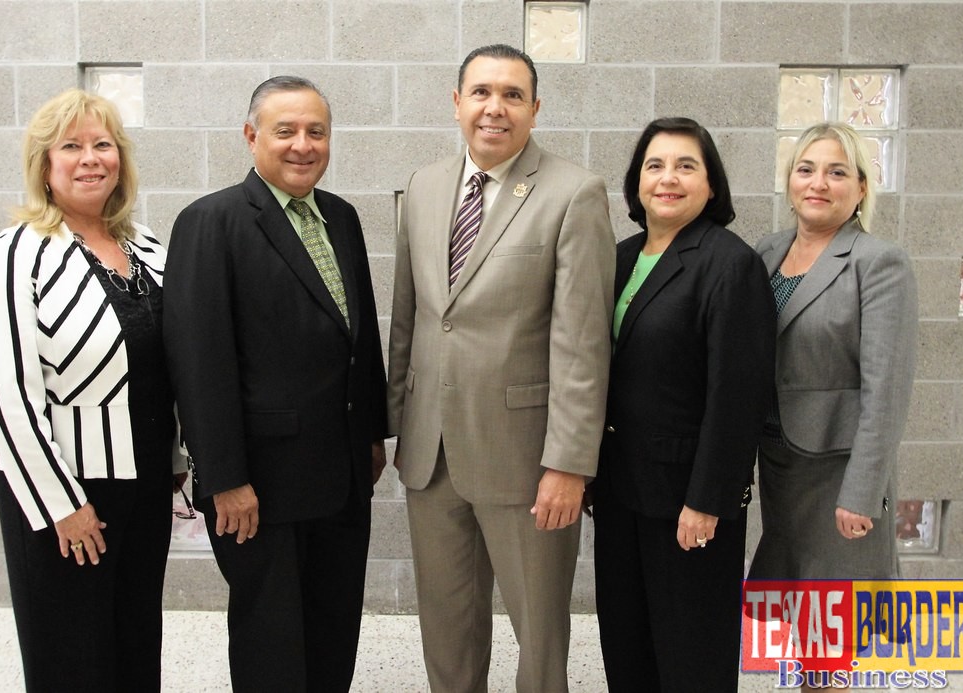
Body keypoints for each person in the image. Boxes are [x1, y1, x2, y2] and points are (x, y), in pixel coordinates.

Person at [387, 44, 615, 693]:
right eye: (481, 92)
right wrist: (394, 427)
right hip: (430, 454)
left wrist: (569, 463)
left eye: (513, 95)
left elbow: (583, 342)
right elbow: (412, 318)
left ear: (535, 109)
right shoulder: (425, 186)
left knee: (538, 639)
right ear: (457, 103)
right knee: (447, 628)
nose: (496, 107)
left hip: (527, 460)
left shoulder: (574, 193)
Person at [162, 76, 388, 691]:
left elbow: (358, 335)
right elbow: (198, 365)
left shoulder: (340, 217)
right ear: (251, 135)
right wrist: (225, 478)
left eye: (316, 131)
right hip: (259, 486)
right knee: (272, 643)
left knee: (333, 629)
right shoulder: (211, 221)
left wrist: (371, 436)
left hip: (341, 475)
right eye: (285, 130)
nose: (302, 145)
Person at [0, 88, 182, 691]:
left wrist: (178, 458)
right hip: (62, 490)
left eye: (103, 145)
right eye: (72, 146)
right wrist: (61, 504)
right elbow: (6, 395)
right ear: (45, 165)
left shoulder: (148, 248)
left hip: (142, 484)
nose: (91, 158)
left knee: (135, 644)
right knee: (72, 657)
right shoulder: (15, 254)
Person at [591, 117, 775, 692]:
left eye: (685, 166)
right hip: (621, 491)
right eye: (654, 165)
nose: (667, 178)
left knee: (691, 656)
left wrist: (708, 500)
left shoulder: (729, 264)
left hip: (688, 505)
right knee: (628, 648)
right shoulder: (617, 258)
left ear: (711, 184)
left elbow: (737, 396)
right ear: (636, 182)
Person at [748, 122, 918, 584]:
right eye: (806, 169)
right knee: (791, 604)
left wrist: (863, 492)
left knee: (836, 618)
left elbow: (887, 392)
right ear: (790, 182)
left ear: (861, 188)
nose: (818, 183)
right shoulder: (767, 253)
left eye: (837, 173)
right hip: (780, 462)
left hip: (837, 468)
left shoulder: (879, 262)